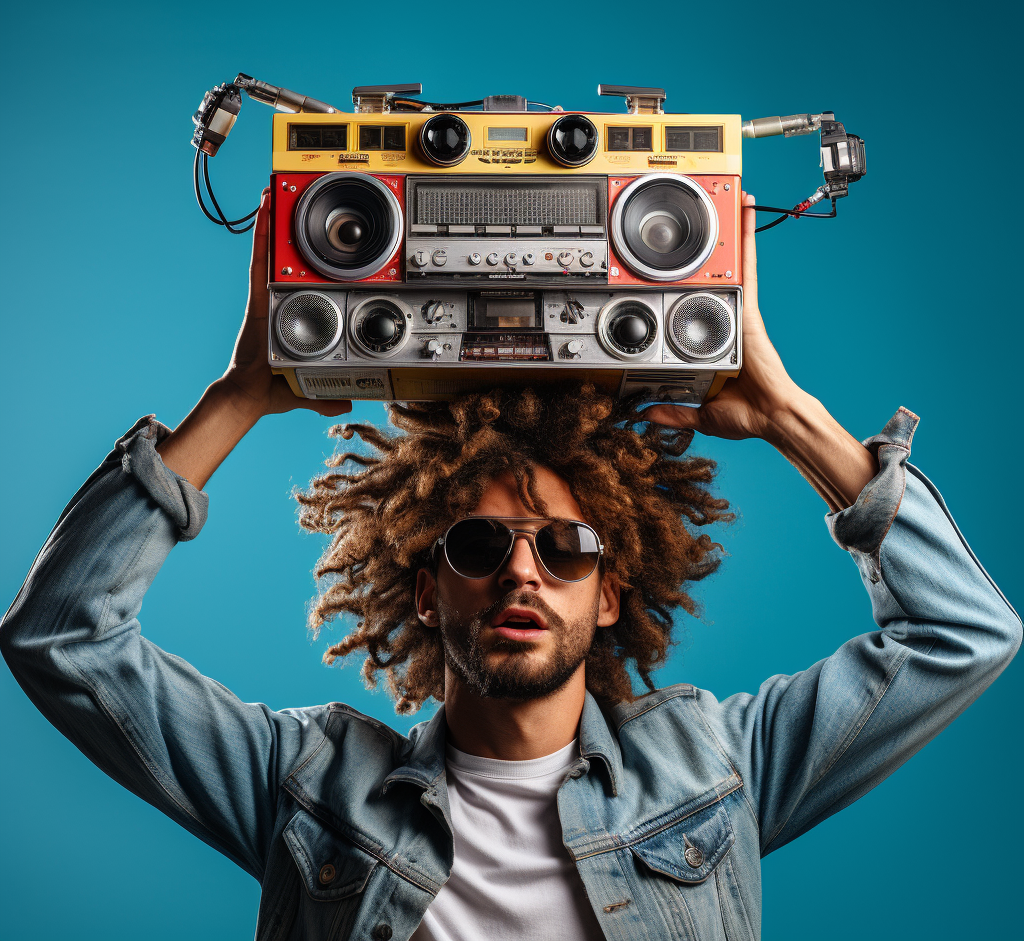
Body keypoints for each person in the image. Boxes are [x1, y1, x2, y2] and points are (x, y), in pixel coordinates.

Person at [2, 189, 1018, 941]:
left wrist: (789, 414)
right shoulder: (306, 786)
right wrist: (236, 396)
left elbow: (965, 632)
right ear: (423, 585)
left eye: (565, 546)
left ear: (611, 588)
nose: (521, 572)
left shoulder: (719, 768)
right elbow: (62, 638)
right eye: (478, 545)